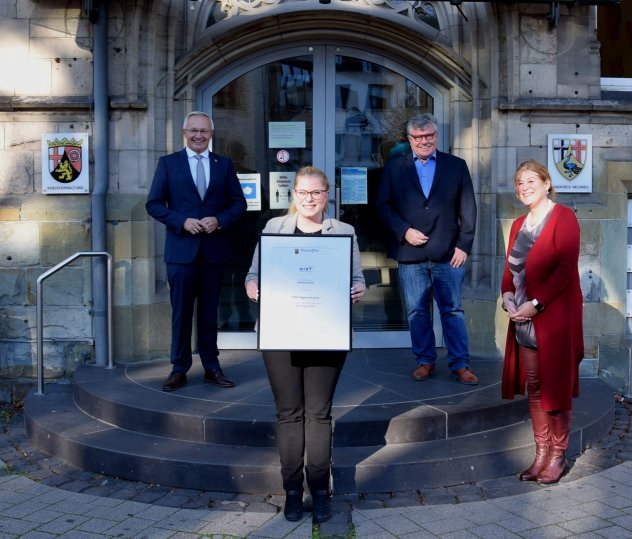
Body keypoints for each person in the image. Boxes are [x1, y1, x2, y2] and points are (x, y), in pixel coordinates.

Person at [244, 166, 366, 524]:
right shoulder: (273, 228)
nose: (309, 199)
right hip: (281, 333)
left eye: (316, 192)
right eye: (303, 192)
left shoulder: (344, 232)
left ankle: (321, 494)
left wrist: (360, 289)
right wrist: (252, 287)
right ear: (293, 194)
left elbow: (357, 278)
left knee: (318, 413)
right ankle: (293, 493)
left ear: (327, 195)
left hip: (325, 333)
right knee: (288, 413)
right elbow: (254, 274)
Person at [146, 111, 247, 392]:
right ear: (184, 132)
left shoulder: (223, 165)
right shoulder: (169, 164)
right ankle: (179, 369)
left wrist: (219, 220)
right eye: (193, 131)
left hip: (213, 252)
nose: (199, 135)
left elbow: (239, 204)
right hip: (181, 253)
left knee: (209, 313)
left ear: (211, 134)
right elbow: (153, 204)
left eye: (204, 131)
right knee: (181, 313)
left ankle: (211, 367)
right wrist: (182, 221)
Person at [376, 113, 478, 384]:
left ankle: (460, 364)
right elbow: (382, 207)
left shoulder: (456, 166)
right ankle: (425, 360)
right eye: (418, 137)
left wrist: (464, 245)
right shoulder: (394, 167)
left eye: (429, 136)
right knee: (417, 311)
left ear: (436, 136)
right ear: (409, 139)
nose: (424, 141)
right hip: (410, 254)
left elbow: (468, 207)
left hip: (448, 253)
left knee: (453, 310)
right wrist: (404, 230)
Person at [500, 159, 584, 484]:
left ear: (547, 183)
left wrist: (535, 304)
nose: (524, 187)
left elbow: (565, 270)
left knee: (555, 387)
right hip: (523, 319)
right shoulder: (518, 224)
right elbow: (509, 270)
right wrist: (507, 296)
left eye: (531, 181)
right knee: (534, 388)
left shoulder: (564, 218)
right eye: (519, 182)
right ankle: (540, 454)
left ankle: (558, 456)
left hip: (554, 319)